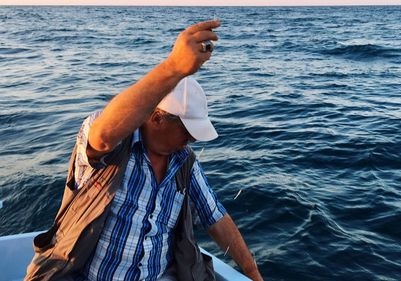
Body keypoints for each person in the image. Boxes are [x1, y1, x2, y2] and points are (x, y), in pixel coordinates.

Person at [25, 20, 263, 281]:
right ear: (157, 118)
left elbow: (216, 217)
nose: (192, 140)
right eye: (187, 131)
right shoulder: (112, 146)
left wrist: (253, 273)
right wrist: (173, 68)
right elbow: (102, 135)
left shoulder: (184, 162)